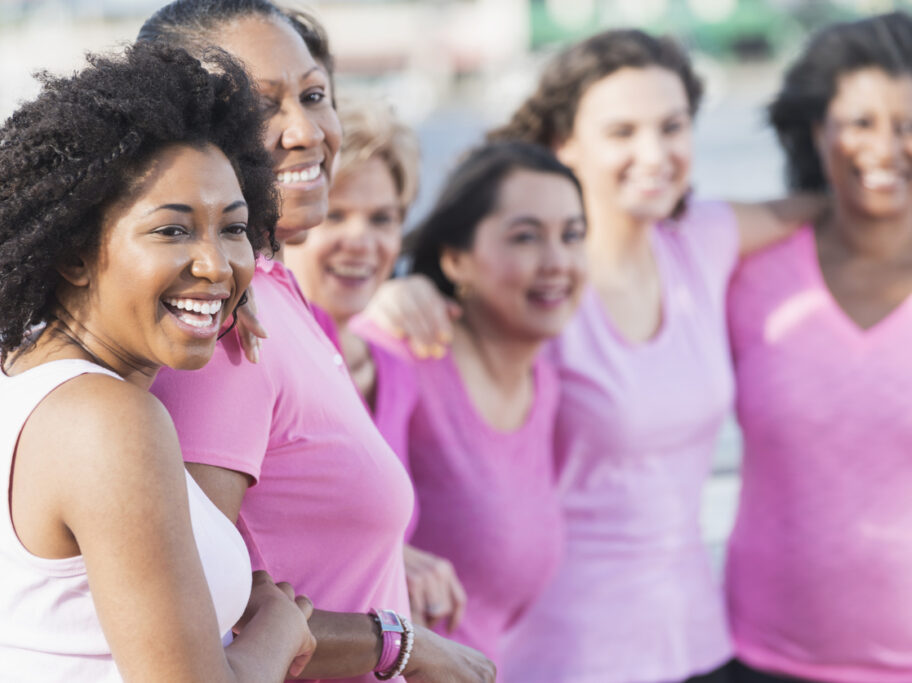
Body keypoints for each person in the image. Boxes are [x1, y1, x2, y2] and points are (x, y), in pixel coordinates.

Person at [365, 29, 821, 683]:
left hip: (700, 640)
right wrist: (398, 291)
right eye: (622, 131)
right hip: (565, 650)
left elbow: (835, 211)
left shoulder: (703, 239)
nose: (654, 153)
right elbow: (434, 344)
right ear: (564, 143)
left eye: (672, 126)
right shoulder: (531, 290)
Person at [139, 2, 495, 682]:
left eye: (313, 94)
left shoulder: (275, 292)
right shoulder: (220, 332)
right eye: (261, 106)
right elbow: (195, 614)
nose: (305, 131)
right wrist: (405, 645)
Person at [0, 43, 317, 681]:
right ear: (73, 253)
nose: (217, 264)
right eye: (172, 231)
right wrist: (279, 631)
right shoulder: (108, 420)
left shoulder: (20, 379)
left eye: (232, 228)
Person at [726, 12, 912, 683]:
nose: (886, 146)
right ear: (816, 129)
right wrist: (417, 293)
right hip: (757, 658)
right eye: (861, 122)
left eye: (908, 123)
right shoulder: (747, 272)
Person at [392, 141, 586, 681]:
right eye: (526, 237)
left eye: (572, 235)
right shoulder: (402, 358)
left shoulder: (542, 380)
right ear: (456, 259)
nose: (558, 262)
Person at [282, 101, 469, 632]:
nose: (361, 240)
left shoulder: (397, 367)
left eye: (382, 218)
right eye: (335, 214)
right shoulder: (263, 357)